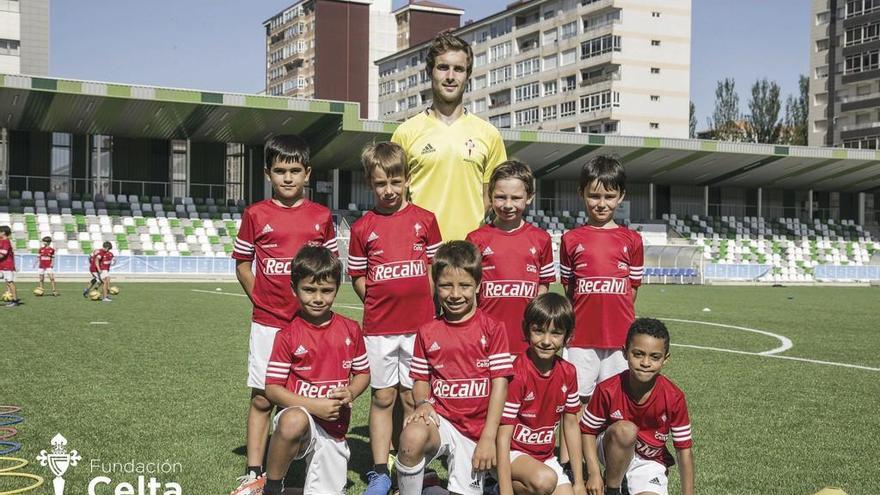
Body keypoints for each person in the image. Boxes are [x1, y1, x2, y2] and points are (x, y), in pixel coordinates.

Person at [231, 134, 338, 495]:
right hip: (268, 322)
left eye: (295, 170)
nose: (287, 178)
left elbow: (330, 267)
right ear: (267, 173)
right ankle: (254, 471)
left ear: (307, 173)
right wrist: (260, 298)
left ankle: (317, 466)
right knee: (263, 395)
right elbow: (243, 264)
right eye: (280, 171)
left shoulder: (321, 217)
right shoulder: (255, 214)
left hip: (311, 325)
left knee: (307, 390)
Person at [348, 142, 443, 495]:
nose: (388, 190)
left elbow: (435, 269)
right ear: (369, 183)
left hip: (419, 328)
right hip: (380, 329)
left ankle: (410, 465)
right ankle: (378, 471)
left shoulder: (426, 220)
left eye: (395, 182)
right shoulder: (362, 228)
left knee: (411, 397)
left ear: (407, 179)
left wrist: (429, 308)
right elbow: (358, 276)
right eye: (380, 184)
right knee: (383, 397)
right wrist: (375, 300)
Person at [396, 240, 513, 495]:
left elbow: (500, 386)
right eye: (446, 286)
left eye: (464, 286)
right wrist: (422, 402)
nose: (455, 294)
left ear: (478, 286)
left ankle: (434, 486)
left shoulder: (493, 329)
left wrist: (488, 437)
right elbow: (420, 379)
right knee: (411, 436)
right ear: (435, 286)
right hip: (444, 422)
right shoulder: (427, 332)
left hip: (479, 430)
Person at [261, 245, 370, 495]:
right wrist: (313, 405)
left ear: (336, 289)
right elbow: (272, 389)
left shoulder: (351, 329)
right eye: (309, 290)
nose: (318, 298)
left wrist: (352, 392)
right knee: (293, 419)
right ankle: (272, 487)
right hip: (302, 421)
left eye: (326, 290)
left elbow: (363, 373)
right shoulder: (288, 335)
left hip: (335, 428)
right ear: (294, 289)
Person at [558, 155, 643, 473]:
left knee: (615, 407)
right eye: (594, 195)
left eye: (609, 196)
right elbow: (569, 289)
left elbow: (632, 290)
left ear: (621, 196)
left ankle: (612, 468)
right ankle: (570, 464)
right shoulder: (571, 239)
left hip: (620, 341)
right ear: (582, 193)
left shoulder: (631, 240)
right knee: (575, 404)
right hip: (581, 339)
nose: (602, 202)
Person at [391, 31, 507, 241]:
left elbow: (491, 196)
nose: (451, 76)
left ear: (467, 76)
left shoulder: (489, 134)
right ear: (430, 72)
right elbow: (397, 197)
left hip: (470, 255)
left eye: (459, 69)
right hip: (420, 253)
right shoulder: (405, 133)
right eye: (443, 67)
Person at [580, 318, 694, 495]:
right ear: (625, 353)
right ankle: (613, 489)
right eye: (638, 354)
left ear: (665, 359)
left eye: (655, 357)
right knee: (626, 430)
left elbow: (684, 450)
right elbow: (587, 431)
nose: (646, 363)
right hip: (611, 448)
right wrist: (593, 473)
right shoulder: (607, 389)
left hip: (650, 461)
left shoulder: (674, 397)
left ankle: (628, 483)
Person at [495, 293, 585, 495]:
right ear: (526, 330)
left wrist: (578, 481)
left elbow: (570, 425)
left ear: (567, 335)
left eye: (556, 333)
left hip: (544, 457)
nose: (546, 341)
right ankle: (495, 487)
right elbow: (503, 436)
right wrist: (505, 490)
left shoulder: (568, 372)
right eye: (538, 331)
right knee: (545, 481)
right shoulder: (516, 373)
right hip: (510, 453)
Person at [466, 161, 555, 354]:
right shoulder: (476, 239)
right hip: (486, 340)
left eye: (515, 198)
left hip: (527, 342)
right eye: (500, 197)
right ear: (490, 196)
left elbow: (543, 286)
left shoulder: (542, 239)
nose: (508, 205)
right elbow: (470, 291)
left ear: (529, 197)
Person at [0, 225, 19, 307]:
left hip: (7, 265)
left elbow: (2, 255)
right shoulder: (1, 241)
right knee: (8, 282)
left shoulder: (6, 241)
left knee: (10, 282)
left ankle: (15, 301)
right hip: (2, 265)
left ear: (3, 232)